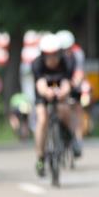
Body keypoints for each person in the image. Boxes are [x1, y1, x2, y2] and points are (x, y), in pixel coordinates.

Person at [32, 33, 74, 177]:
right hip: (43, 93)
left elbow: (67, 83)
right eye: (48, 55)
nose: (52, 59)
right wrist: (46, 92)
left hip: (60, 90)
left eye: (55, 55)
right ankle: (40, 156)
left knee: (65, 110)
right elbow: (40, 84)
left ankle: (68, 134)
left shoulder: (67, 62)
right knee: (42, 119)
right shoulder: (37, 64)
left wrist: (62, 93)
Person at [56, 30, 85, 157]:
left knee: (77, 107)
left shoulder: (77, 53)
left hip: (72, 82)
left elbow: (79, 71)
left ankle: (77, 139)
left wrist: (74, 83)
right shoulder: (54, 54)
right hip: (58, 82)